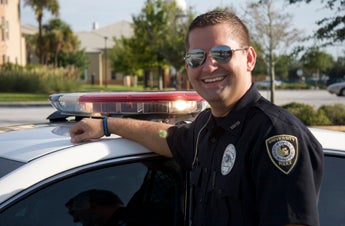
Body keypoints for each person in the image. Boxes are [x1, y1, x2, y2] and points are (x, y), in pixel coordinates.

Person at [70, 10, 323, 226]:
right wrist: (105, 124)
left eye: (222, 53)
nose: (209, 66)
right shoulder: (205, 128)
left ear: (249, 58)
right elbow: (166, 137)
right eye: (196, 57)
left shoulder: (274, 135)